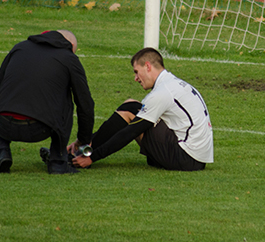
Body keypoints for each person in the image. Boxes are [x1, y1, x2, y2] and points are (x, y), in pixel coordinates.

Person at [70, 47, 213, 171]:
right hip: (197, 157)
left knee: (130, 114)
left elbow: (130, 132)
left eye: (137, 72)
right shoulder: (172, 83)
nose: (136, 78)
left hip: (186, 159)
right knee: (131, 105)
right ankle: (82, 147)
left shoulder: (163, 92)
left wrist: (93, 158)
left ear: (148, 66)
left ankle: (83, 153)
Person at [0, 30, 94, 174]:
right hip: (39, 128)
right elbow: (85, 103)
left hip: (2, 125)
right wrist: (83, 140)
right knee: (66, 101)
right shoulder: (69, 58)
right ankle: (58, 162)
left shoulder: (19, 47)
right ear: (69, 46)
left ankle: (2, 152)